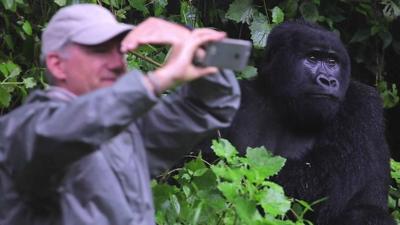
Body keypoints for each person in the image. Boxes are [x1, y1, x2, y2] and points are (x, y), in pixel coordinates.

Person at [0, 4, 240, 225]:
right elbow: (60, 135)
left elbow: (209, 107)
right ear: (56, 64)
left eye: (122, 49)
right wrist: (157, 81)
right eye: (101, 50)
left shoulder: (129, 128)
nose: (118, 62)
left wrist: (194, 47)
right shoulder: (22, 128)